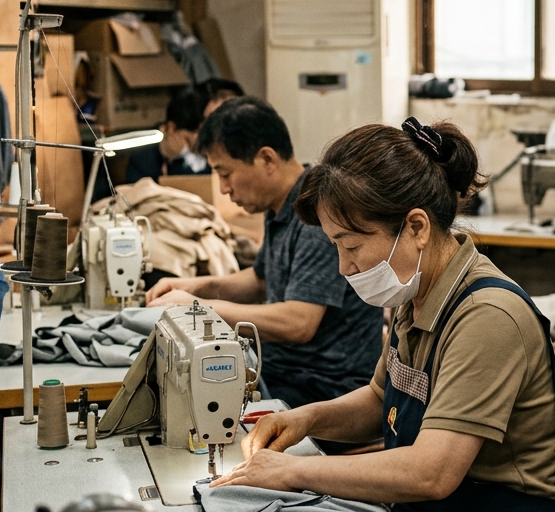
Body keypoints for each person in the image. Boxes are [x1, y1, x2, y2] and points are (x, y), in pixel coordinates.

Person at [210, 118, 555, 512]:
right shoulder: (419, 294)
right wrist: (304, 419)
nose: (344, 267)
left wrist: (294, 471)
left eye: (351, 246)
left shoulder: (487, 316)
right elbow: (377, 399)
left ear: (416, 228)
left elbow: (432, 472)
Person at [145, 98, 383, 408]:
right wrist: (195, 286)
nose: (224, 188)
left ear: (267, 159)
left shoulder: (316, 214)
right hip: (283, 372)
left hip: (322, 388)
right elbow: (260, 280)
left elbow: (299, 322)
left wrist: (199, 308)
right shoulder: (280, 206)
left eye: (226, 173)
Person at [124, 89, 212, 184]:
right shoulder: (143, 159)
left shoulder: (208, 151)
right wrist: (177, 161)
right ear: (171, 128)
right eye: (187, 139)